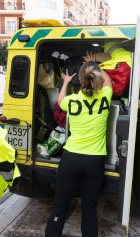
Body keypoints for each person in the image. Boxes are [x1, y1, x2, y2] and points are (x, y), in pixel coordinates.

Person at [45, 52, 113, 237]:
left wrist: (66, 81)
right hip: (94, 162)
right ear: (96, 79)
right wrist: (95, 63)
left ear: (81, 79)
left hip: (71, 159)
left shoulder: (72, 101)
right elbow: (108, 81)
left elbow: (59, 102)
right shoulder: (106, 96)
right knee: (89, 209)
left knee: (59, 207)